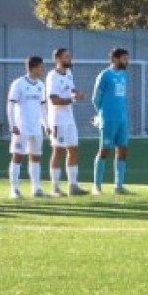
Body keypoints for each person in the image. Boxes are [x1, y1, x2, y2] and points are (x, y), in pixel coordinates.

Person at [47, 48, 87, 196]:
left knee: (73, 149)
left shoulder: (69, 74)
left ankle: (73, 186)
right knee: (58, 151)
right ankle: (56, 188)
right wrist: (73, 99)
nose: (69, 59)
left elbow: (71, 91)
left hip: (69, 118)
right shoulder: (52, 76)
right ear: (57, 59)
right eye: (66, 57)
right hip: (57, 119)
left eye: (70, 56)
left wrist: (77, 94)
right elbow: (54, 100)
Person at [91, 47, 131, 195]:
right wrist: (100, 115)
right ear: (115, 59)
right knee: (104, 150)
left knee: (123, 150)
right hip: (108, 119)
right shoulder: (105, 75)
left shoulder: (124, 75)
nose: (127, 62)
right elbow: (95, 99)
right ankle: (97, 186)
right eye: (124, 59)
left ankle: (118, 186)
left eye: (127, 59)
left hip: (122, 119)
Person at [7, 56, 48, 200]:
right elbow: (10, 105)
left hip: (36, 127)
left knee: (36, 157)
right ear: (33, 68)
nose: (42, 70)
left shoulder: (41, 85)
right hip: (21, 127)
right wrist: (13, 124)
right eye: (40, 67)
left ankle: (36, 188)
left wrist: (46, 125)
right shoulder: (18, 83)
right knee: (17, 156)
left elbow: (43, 106)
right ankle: (14, 189)